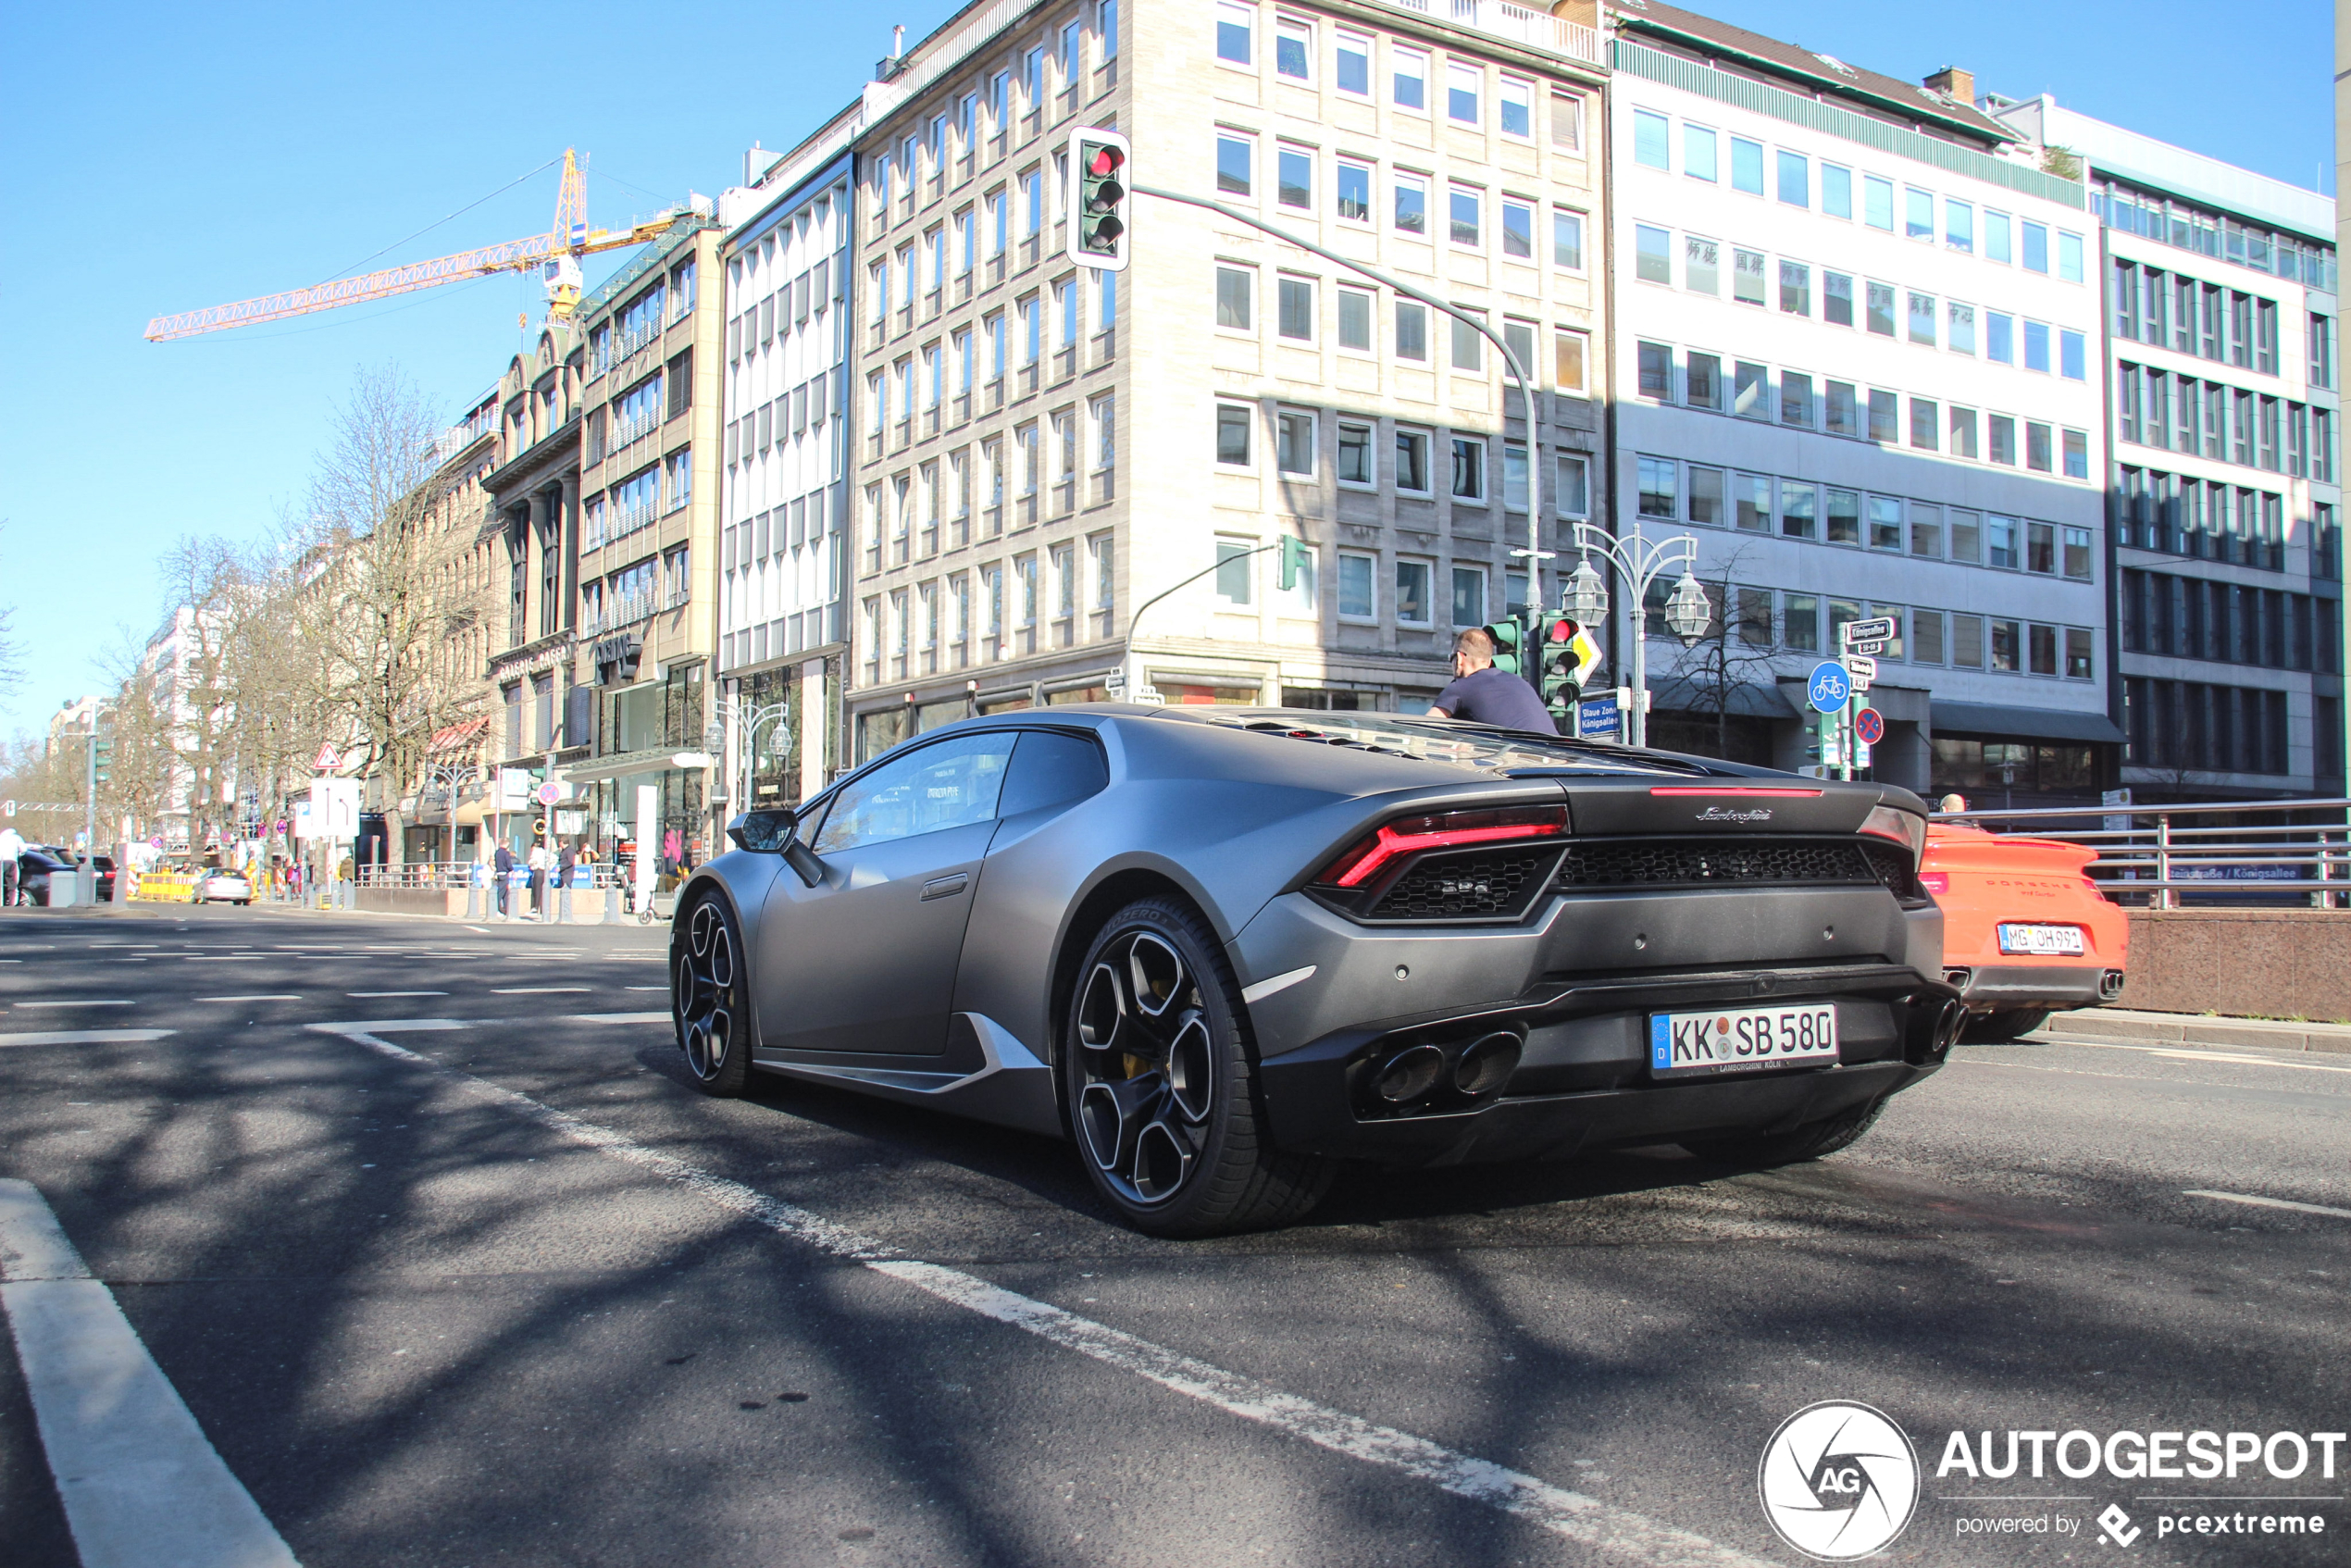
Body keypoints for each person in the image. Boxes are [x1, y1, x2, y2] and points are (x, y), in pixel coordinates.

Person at [1428, 627, 1559, 734]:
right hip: (1557, 755)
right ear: (1489, 661)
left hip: (1519, 757)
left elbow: (1426, 728)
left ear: (1459, 658)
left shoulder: (1461, 687)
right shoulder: (1519, 682)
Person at [0, 822, 22, 907]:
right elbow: (23, 849)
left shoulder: (1, 838)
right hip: (12, 861)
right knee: (13, 884)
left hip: (1, 862)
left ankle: (1, 902)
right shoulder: (17, 838)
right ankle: (12, 904)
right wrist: (19, 854)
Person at [493, 841, 514, 915]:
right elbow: (508, 864)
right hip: (504, 874)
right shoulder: (506, 853)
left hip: (498, 873)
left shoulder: (497, 852)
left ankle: (505, 909)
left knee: (504, 892)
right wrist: (512, 870)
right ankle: (496, 909)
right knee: (501, 892)